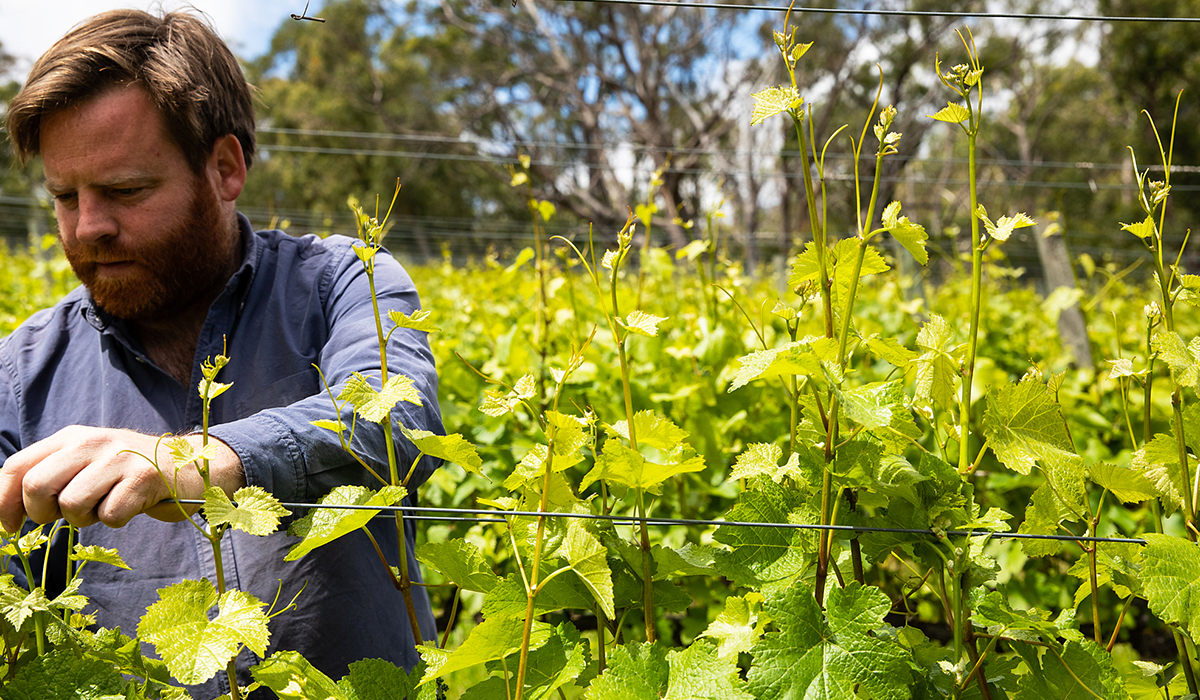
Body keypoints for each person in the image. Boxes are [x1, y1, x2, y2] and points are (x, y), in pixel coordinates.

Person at [0, 8, 442, 698]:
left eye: (125, 191)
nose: (89, 227)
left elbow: (397, 425)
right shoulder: (22, 374)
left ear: (226, 167)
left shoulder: (340, 283)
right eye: (64, 196)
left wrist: (198, 460)